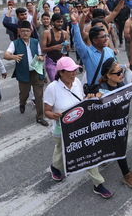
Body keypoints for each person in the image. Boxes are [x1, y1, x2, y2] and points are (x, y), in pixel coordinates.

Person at [43, 56, 113, 198]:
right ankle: (55, 167)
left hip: (79, 128)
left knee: (87, 152)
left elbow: (80, 102)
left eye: (75, 70)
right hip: (61, 130)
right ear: (61, 72)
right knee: (61, 153)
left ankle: (98, 184)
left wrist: (87, 100)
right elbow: (46, 111)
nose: (74, 73)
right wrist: (53, 115)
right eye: (70, 71)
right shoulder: (52, 88)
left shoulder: (77, 83)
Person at [94, 57, 132, 189]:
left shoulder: (121, 86)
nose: (121, 75)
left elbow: (125, 100)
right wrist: (93, 97)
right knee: (118, 147)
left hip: (119, 125)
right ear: (108, 75)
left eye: (121, 72)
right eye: (118, 73)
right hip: (103, 126)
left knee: (118, 146)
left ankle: (105, 156)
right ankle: (127, 174)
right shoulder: (99, 88)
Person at [3, 21, 49, 126]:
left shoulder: (34, 41)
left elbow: (40, 54)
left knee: (38, 96)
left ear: (30, 31)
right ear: (19, 31)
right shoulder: (15, 43)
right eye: (23, 30)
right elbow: (6, 55)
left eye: (27, 31)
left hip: (36, 73)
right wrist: (13, 56)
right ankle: (22, 103)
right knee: (24, 94)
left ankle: (39, 117)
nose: (25, 33)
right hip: (24, 74)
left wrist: (41, 58)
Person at [70, 8, 116, 88]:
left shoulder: (109, 51)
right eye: (103, 37)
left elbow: (116, 68)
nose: (106, 39)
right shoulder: (87, 53)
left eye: (106, 36)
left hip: (111, 91)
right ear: (95, 40)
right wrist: (74, 23)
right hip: (96, 93)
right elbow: (78, 40)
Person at [41, 13, 70, 82]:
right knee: (55, 83)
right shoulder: (47, 33)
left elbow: (67, 50)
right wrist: (54, 47)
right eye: (57, 22)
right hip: (51, 62)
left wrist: (67, 47)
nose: (60, 24)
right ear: (53, 22)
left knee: (64, 82)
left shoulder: (65, 33)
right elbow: (43, 49)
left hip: (62, 62)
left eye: (61, 22)